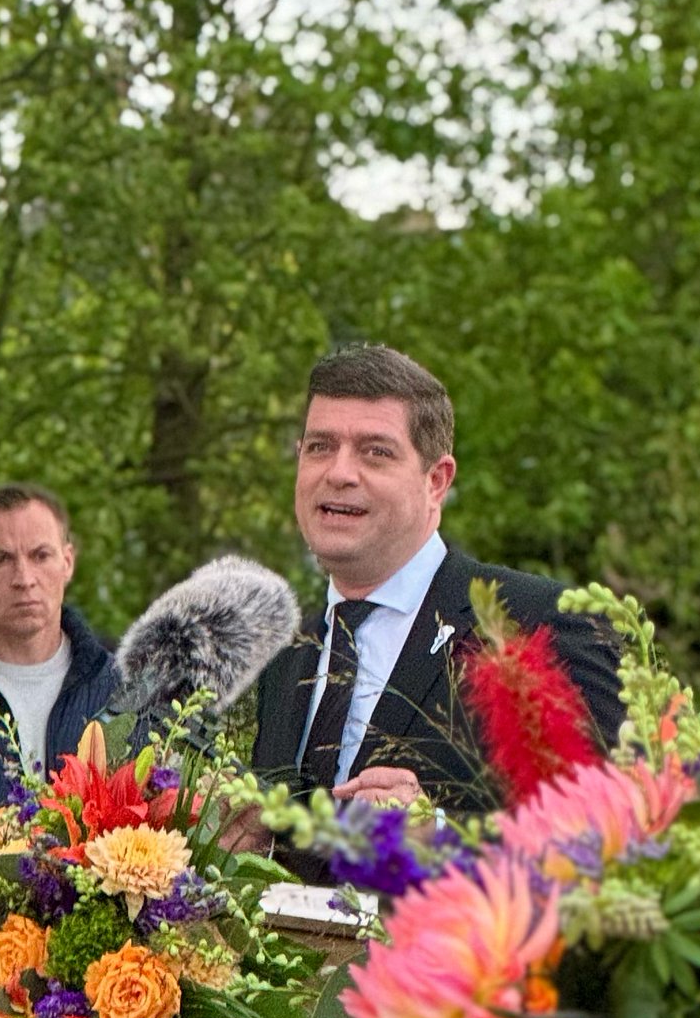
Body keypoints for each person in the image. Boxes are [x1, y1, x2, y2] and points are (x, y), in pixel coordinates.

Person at [254, 343, 625, 816]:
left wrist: (442, 835)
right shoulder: (283, 654)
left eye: (375, 452)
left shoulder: (539, 626)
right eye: (320, 447)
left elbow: (613, 834)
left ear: (437, 481)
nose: (339, 472)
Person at [0, 483, 119, 830]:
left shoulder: (123, 688)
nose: (24, 578)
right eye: (1, 559)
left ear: (68, 562)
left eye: (40, 555)